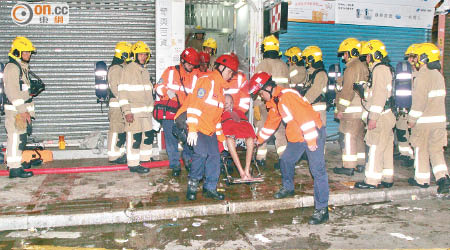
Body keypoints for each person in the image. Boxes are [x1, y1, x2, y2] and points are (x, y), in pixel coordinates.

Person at [249, 72, 329, 225]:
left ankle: (322, 210)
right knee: (285, 160)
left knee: (317, 171)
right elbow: (271, 124)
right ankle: (288, 188)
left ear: (267, 89)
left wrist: (311, 140)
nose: (260, 97)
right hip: (297, 136)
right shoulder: (276, 101)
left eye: (260, 93)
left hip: (312, 132)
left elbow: (305, 118)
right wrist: (258, 140)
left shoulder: (287, 96)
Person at [176, 54, 239, 201]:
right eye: (230, 72)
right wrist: (192, 129)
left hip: (208, 129)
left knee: (215, 156)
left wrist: (222, 138)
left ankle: (210, 188)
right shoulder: (207, 81)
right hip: (195, 125)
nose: (231, 75)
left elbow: (216, 119)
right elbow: (194, 106)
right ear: (221, 67)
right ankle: (192, 185)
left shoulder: (221, 91)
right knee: (201, 154)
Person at [407, 43, 449, 194]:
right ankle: (443, 179)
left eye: (417, 57)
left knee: (421, 150)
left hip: (424, 123)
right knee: (436, 151)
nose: (415, 60)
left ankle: (422, 180)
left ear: (424, 58)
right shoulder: (438, 75)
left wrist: (411, 119)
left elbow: (419, 102)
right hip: (439, 122)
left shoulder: (422, 76)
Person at [355, 40, 396, 189]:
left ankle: (371, 180)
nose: (366, 59)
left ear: (375, 56)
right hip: (387, 115)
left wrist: (373, 117)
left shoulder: (379, 70)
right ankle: (387, 178)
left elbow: (379, 96)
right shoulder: (385, 69)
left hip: (380, 117)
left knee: (375, 147)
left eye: (367, 56)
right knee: (385, 148)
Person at [155, 47, 200, 176]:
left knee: (188, 139)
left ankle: (187, 159)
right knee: (170, 139)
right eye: (189, 63)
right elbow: (158, 87)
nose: (191, 66)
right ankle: (175, 165)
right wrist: (169, 93)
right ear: (182, 61)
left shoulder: (196, 76)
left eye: (193, 64)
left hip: (185, 112)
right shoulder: (170, 71)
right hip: (170, 111)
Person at [3, 36, 41, 178]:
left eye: (30, 52)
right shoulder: (12, 68)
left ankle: (16, 164)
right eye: (26, 52)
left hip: (20, 110)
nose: (29, 55)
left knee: (20, 139)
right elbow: (12, 92)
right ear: (18, 52)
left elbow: (21, 90)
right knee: (15, 138)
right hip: (15, 111)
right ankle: (14, 169)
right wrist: (22, 111)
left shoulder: (21, 67)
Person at [333, 38, 369, 176]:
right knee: (358, 137)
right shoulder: (363, 66)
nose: (343, 57)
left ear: (351, 52)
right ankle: (360, 164)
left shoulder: (351, 68)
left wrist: (340, 109)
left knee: (348, 137)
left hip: (350, 111)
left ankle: (348, 166)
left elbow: (347, 90)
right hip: (361, 111)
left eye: (345, 53)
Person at [118, 41, 154, 174]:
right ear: (134, 55)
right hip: (134, 113)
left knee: (148, 137)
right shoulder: (128, 70)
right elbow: (122, 92)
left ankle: (145, 159)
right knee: (135, 138)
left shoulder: (144, 71)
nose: (143, 57)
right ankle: (133, 164)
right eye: (141, 54)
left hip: (146, 113)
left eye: (145, 54)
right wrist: (126, 111)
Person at [254, 35, 289, 167]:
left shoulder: (262, 65)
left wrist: (257, 104)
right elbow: (287, 87)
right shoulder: (284, 65)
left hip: (264, 104)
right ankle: (283, 159)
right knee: (281, 132)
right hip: (280, 105)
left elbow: (257, 87)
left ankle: (260, 158)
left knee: (262, 128)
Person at [393, 44, 419, 167]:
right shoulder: (411, 71)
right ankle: (405, 154)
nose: (408, 60)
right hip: (409, 107)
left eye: (410, 57)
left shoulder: (418, 72)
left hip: (411, 108)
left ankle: (411, 156)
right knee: (402, 131)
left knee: (406, 132)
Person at [107, 42, 132, 164]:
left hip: (121, 105)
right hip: (117, 105)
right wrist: (125, 101)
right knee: (116, 130)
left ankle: (119, 153)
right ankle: (113, 156)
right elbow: (116, 89)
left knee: (121, 131)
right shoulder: (116, 68)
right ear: (124, 54)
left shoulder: (121, 68)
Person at [221, 94, 256, 180]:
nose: (228, 105)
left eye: (231, 103)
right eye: (226, 103)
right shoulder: (219, 114)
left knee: (250, 140)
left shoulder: (239, 113)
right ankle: (241, 172)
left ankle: (247, 170)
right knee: (229, 140)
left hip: (243, 137)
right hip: (230, 138)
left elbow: (247, 125)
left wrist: (253, 136)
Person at [301, 46, 328, 126]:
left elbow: (314, 92)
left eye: (306, 59)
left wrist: (301, 103)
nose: (305, 61)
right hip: (311, 109)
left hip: (318, 110)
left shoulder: (321, 74)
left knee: (318, 135)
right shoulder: (311, 73)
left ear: (311, 59)